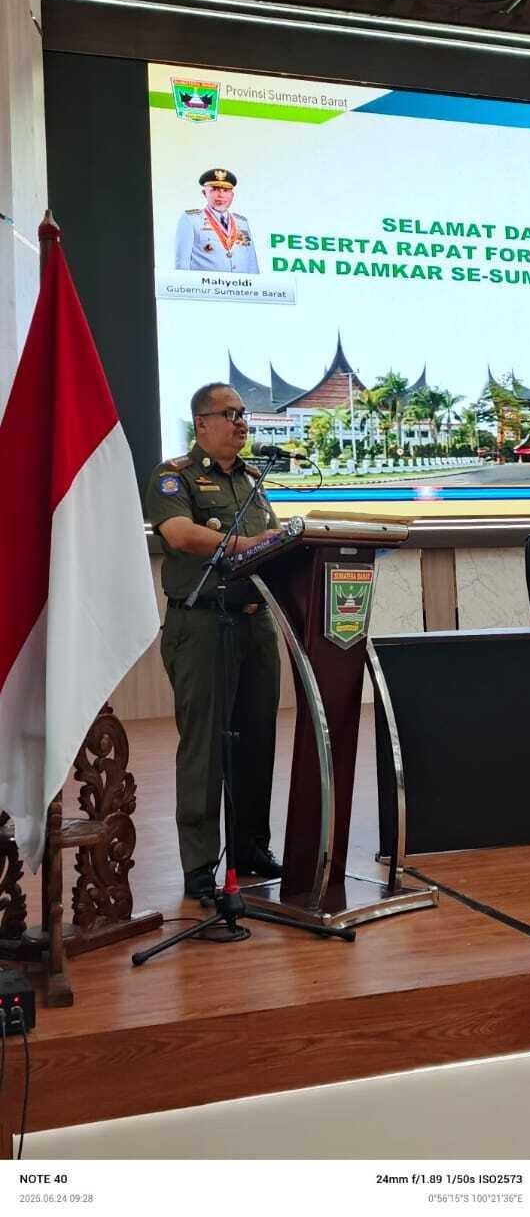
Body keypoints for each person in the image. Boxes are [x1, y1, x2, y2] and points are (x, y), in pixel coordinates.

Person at [146, 382, 282, 900]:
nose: (242, 422)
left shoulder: (252, 480)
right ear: (201, 423)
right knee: (204, 747)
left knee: (256, 740)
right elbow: (179, 534)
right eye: (230, 413)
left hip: (255, 623)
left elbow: (271, 543)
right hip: (201, 625)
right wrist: (249, 543)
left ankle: (249, 848)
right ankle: (201, 866)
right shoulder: (174, 475)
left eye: (244, 414)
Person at [174, 169, 259, 273]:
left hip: (240, 287)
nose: (221, 195)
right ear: (204, 193)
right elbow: (182, 264)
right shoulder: (191, 219)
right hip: (206, 288)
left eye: (226, 190)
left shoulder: (242, 222)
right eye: (214, 189)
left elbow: (251, 262)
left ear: (232, 195)